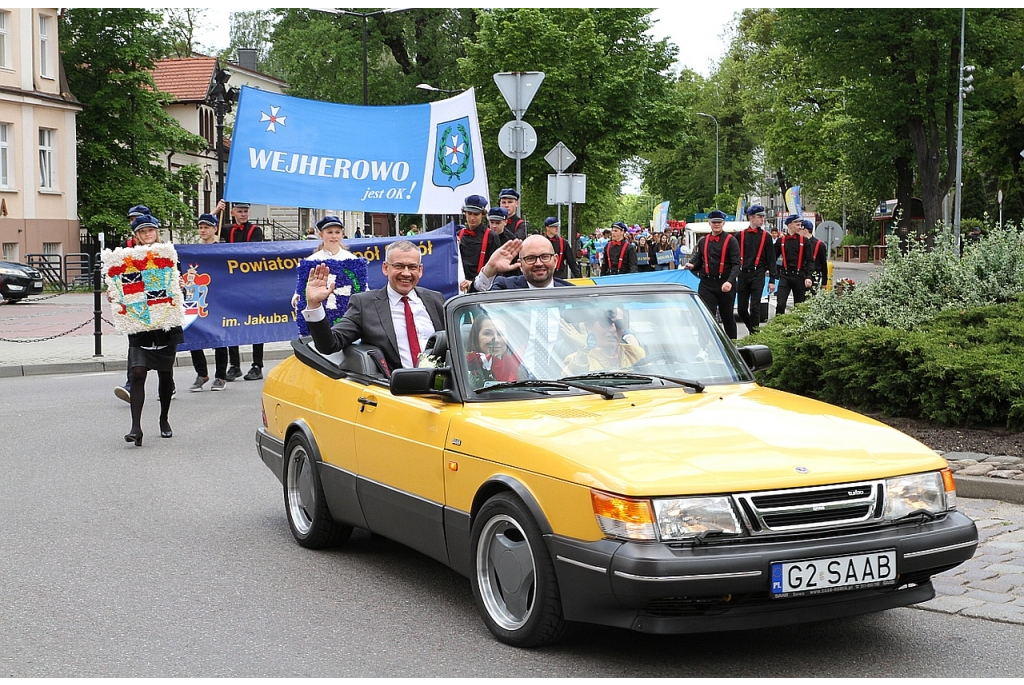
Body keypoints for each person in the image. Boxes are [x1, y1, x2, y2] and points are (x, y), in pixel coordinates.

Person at [303, 240, 444, 373]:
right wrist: (314, 305)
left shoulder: (435, 299)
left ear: (420, 270)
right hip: (394, 393)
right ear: (385, 268)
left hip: (440, 390)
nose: (406, 273)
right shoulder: (365, 305)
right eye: (399, 266)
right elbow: (329, 345)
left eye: (412, 267)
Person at [114, 214, 184, 446]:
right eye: (142, 232)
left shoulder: (168, 254)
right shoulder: (127, 258)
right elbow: (120, 284)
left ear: (157, 232)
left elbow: (177, 282)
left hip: (165, 322)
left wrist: (180, 284)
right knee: (137, 373)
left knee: (166, 375)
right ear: (136, 236)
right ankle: (136, 427)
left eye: (150, 231)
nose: (147, 235)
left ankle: (164, 419)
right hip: (141, 323)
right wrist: (114, 293)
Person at [217, 200, 266, 381]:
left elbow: (250, 252)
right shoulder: (227, 228)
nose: (244, 214)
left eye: (246, 211)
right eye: (240, 211)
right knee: (232, 323)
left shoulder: (256, 231)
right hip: (232, 284)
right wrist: (217, 210)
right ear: (232, 213)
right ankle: (234, 365)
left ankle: (257, 365)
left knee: (256, 323)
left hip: (252, 284)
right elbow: (209, 227)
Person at [114, 203, 153, 403]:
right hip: (135, 303)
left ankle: (168, 383)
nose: (133, 223)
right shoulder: (125, 248)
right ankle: (131, 384)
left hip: (157, 304)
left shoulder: (160, 249)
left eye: (137, 220)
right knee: (135, 343)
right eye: (131, 220)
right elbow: (117, 275)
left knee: (161, 346)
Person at [187, 213, 230, 392]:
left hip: (218, 300)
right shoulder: (194, 251)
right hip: (199, 298)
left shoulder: (221, 249)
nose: (203, 230)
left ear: (215, 229)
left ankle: (220, 375)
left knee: (220, 338)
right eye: (201, 227)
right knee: (193, 334)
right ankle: (201, 373)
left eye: (207, 227)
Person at [684, 209, 741, 339]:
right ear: (709, 223)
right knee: (706, 316)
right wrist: (692, 266)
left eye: (719, 222)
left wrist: (730, 281)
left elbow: (736, 264)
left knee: (727, 316)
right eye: (714, 222)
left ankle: (733, 345)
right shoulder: (703, 241)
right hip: (707, 284)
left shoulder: (731, 241)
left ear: (723, 223)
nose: (716, 225)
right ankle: (704, 348)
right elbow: (699, 261)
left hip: (725, 283)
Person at [290, 215, 359, 312]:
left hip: (347, 316)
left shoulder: (352, 260)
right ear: (321, 235)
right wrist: (297, 301)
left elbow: (362, 288)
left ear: (342, 235)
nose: (334, 236)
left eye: (337, 232)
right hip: (318, 315)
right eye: (330, 232)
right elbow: (300, 290)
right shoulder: (310, 261)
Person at [472, 235, 576, 291]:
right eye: (530, 258)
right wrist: (489, 269)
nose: (538, 263)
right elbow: (476, 307)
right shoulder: (505, 287)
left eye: (545, 257)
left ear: (555, 260)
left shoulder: (570, 293)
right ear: (520, 264)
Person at [562, 306, 646, 374]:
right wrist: (583, 353)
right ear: (590, 327)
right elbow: (568, 382)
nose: (613, 329)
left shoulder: (635, 353)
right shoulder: (576, 359)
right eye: (606, 323)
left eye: (619, 323)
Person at [735, 204, 777, 336]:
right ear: (751, 218)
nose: (762, 219)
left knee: (755, 307)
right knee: (741, 309)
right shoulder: (739, 236)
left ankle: (755, 336)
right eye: (760, 217)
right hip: (743, 274)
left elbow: (771, 259)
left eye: (763, 217)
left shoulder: (767, 237)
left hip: (758, 273)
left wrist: (772, 279)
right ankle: (754, 331)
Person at [458, 194, 500, 291]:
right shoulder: (458, 235)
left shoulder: (491, 236)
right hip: (460, 288)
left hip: (481, 289)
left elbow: (495, 268)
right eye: (469, 213)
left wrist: (473, 283)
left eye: (476, 214)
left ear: (483, 214)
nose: (472, 218)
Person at [775, 214, 815, 315]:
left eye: (800, 225)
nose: (800, 227)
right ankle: (778, 327)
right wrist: (773, 274)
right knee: (780, 304)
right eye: (797, 225)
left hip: (799, 276)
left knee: (799, 306)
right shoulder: (781, 241)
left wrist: (809, 276)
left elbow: (810, 260)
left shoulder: (804, 241)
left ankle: (797, 328)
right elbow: (772, 258)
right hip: (785, 275)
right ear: (790, 225)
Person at [465, 315, 520, 387]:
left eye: (500, 334)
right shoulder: (462, 364)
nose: (496, 340)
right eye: (488, 333)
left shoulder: (519, 365)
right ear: (476, 337)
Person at [801, 219, 829, 294]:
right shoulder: (799, 242)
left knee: (810, 298)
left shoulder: (819, 244)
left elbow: (823, 264)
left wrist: (824, 282)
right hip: (800, 275)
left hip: (814, 276)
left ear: (805, 230)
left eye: (801, 229)